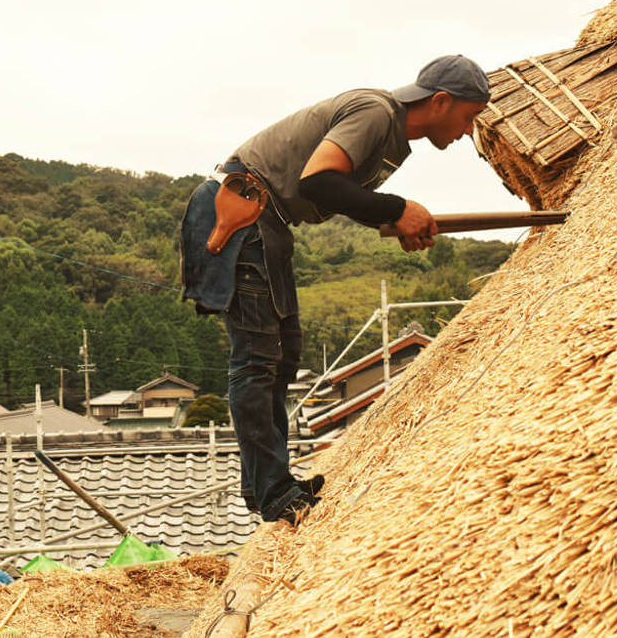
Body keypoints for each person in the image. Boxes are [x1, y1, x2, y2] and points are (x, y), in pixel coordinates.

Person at [180, 55, 491, 525]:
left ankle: (267, 484)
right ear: (441, 101)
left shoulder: (391, 134)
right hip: (243, 214)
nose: (468, 131)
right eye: (468, 116)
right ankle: (273, 491)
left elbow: (339, 193)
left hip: (270, 222)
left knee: (284, 355)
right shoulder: (376, 112)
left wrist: (393, 217)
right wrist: (397, 206)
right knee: (258, 358)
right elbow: (320, 182)